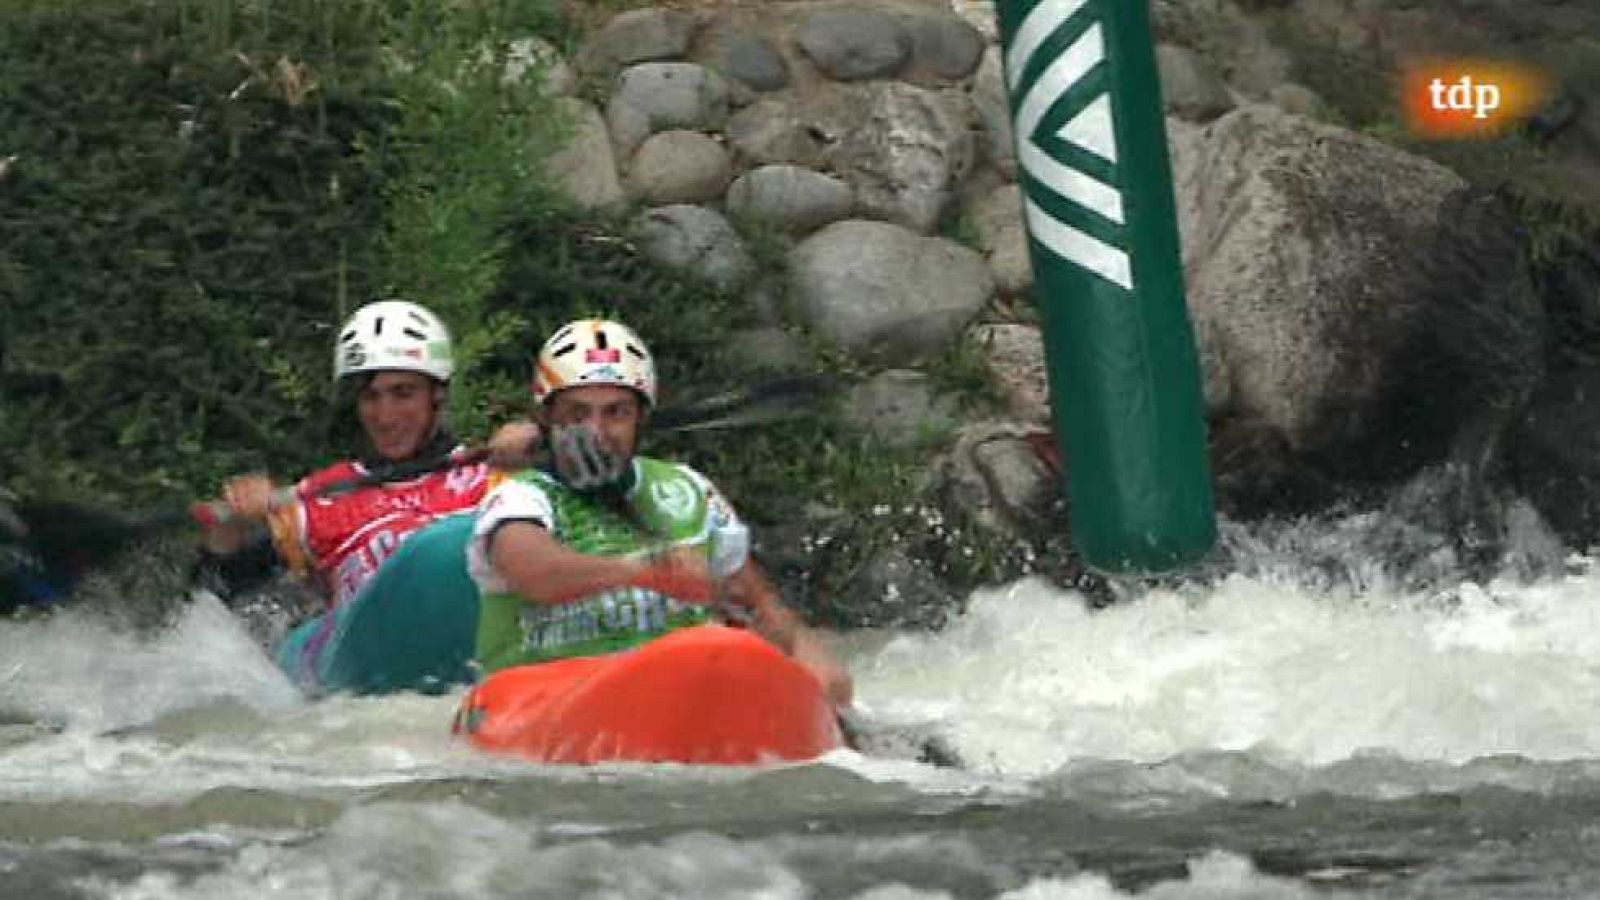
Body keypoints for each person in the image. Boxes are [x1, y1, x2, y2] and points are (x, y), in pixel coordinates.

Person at [465, 318, 854, 707]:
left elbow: (757, 603)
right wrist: (644, 570)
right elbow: (534, 573)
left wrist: (813, 673)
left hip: (678, 690)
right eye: (577, 414)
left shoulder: (686, 489)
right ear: (548, 420)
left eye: (616, 412)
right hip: (547, 695)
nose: (596, 431)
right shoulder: (521, 495)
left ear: (640, 419)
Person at [200, 300, 493, 610]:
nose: (385, 416)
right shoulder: (322, 499)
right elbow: (214, 600)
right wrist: (233, 525)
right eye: (370, 397)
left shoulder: (493, 479)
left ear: (438, 394)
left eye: (403, 394)